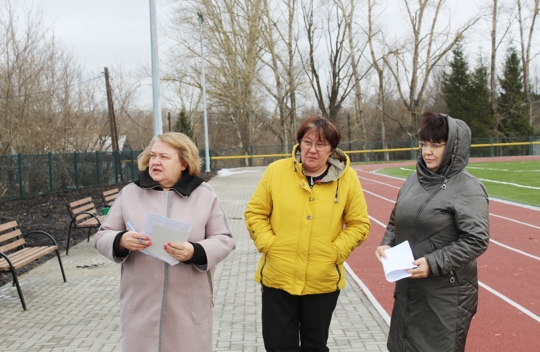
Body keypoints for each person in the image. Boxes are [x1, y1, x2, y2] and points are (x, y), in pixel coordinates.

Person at [94, 132, 235, 352]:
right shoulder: (130, 193)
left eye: (164, 157)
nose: (155, 162)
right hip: (140, 307)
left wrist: (194, 251)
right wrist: (121, 240)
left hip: (188, 308)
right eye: (153, 156)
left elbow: (225, 239)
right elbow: (103, 234)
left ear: (183, 163)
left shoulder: (205, 195)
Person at [245, 115, 371, 352]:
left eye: (321, 144)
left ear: (332, 149)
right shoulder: (276, 172)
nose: (312, 150)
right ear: (299, 143)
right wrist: (270, 245)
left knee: (315, 347)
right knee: (279, 346)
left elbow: (359, 224)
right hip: (278, 279)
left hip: (322, 282)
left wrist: (334, 252)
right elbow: (255, 213)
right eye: (307, 142)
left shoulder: (347, 178)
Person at [375, 112, 490, 352]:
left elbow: (476, 240)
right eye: (424, 144)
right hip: (409, 290)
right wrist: (387, 243)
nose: (427, 151)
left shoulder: (468, 187)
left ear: (454, 147)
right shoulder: (413, 180)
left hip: (445, 296)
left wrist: (433, 263)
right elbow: (396, 219)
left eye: (436, 145)